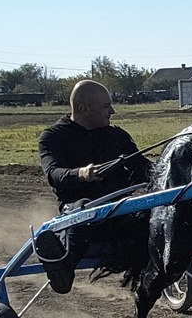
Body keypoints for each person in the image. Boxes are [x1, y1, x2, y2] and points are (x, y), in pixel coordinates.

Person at [34, 80, 151, 293]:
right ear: (83, 109)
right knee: (86, 211)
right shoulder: (53, 137)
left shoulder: (117, 135)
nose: (112, 112)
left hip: (121, 208)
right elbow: (53, 173)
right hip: (79, 209)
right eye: (106, 107)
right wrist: (81, 173)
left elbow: (142, 166)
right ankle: (62, 265)